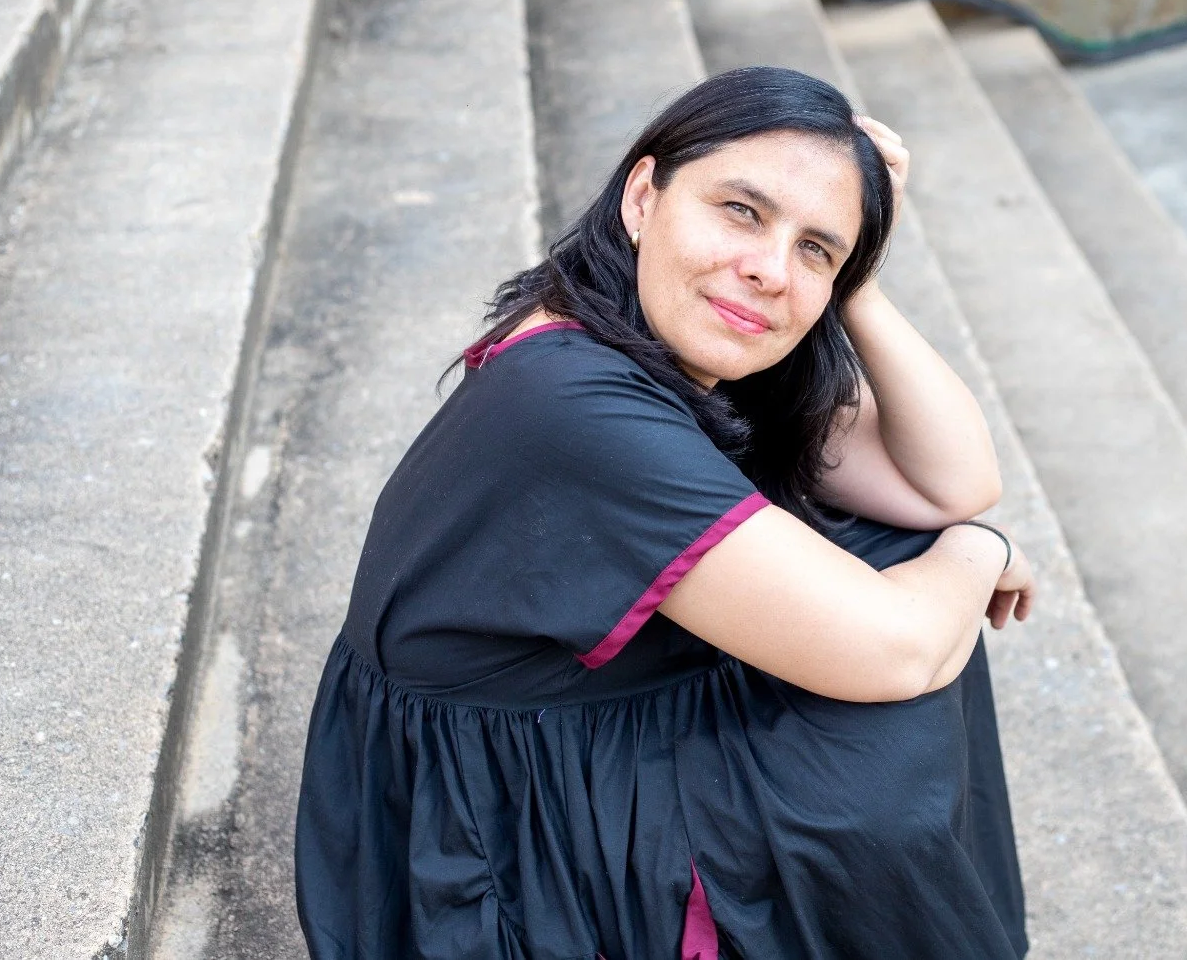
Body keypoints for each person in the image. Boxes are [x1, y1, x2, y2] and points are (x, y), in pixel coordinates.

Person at [295, 66, 1035, 959]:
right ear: (644, 196)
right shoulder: (576, 408)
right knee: (879, 751)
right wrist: (981, 554)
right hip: (495, 810)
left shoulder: (658, 330)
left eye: (816, 250)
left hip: (558, 715)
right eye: (742, 210)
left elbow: (947, 482)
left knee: (900, 551)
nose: (767, 269)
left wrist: (861, 285)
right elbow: (897, 644)